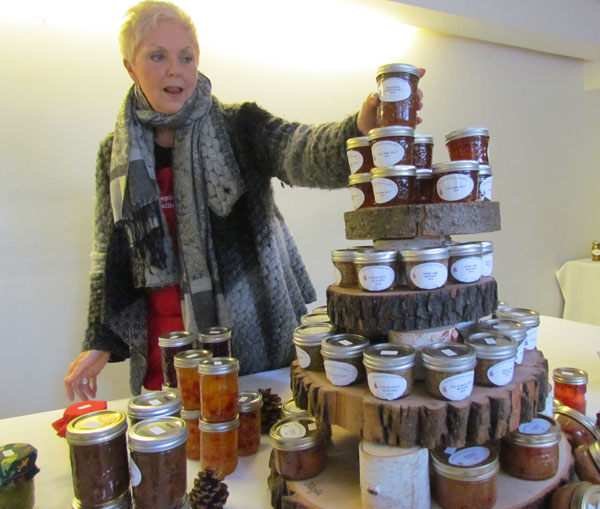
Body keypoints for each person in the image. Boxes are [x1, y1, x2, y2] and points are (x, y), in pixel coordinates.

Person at [63, 0, 424, 401]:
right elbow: (107, 257)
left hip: (254, 354)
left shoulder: (239, 127)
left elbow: (300, 150)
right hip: (162, 357)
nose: (175, 69)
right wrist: (99, 340)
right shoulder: (114, 155)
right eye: (157, 56)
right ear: (131, 67)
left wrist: (359, 129)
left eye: (186, 56)